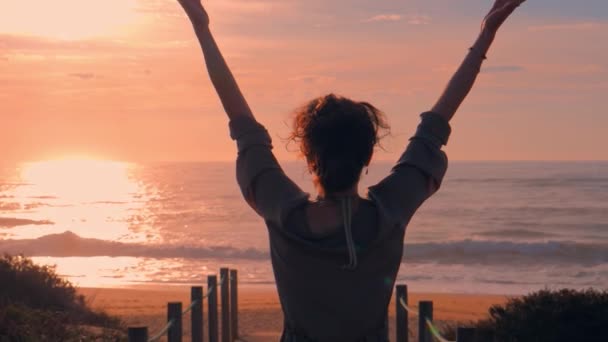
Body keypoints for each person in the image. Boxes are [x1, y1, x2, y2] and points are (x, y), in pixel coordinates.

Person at [176, 0, 526, 341]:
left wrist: (202, 29)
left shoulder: (283, 212)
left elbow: (242, 123)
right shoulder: (389, 212)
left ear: (308, 155)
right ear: (368, 156)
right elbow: (436, 124)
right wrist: (485, 36)